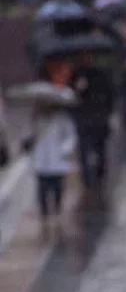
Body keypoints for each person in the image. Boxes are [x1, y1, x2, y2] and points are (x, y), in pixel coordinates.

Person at [72, 58, 116, 189]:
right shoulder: (78, 75)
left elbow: (110, 94)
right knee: (87, 149)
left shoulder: (101, 75)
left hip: (96, 119)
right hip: (87, 120)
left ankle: (97, 175)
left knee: (98, 148)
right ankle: (89, 179)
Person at [30, 103, 77, 223]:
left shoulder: (63, 118)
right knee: (42, 190)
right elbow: (30, 136)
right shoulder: (37, 118)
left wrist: (63, 149)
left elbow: (71, 137)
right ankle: (44, 214)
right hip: (41, 162)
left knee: (57, 189)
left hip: (57, 162)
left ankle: (57, 210)